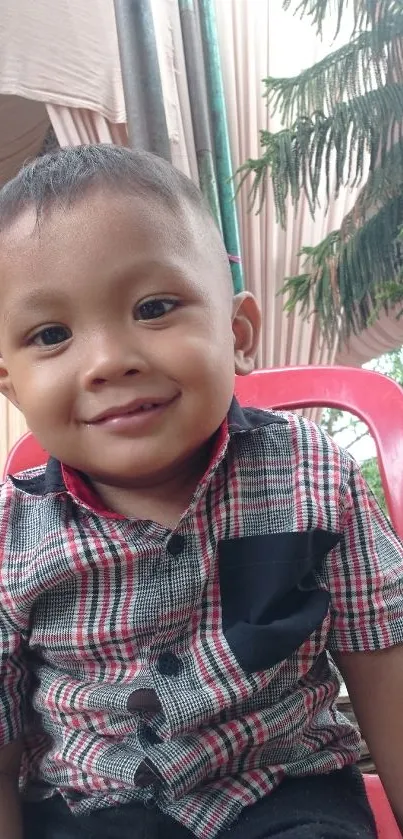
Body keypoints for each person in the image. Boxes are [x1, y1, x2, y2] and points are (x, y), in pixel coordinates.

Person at [0, 145, 401, 839]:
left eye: (153, 307)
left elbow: (385, 669)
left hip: (279, 793)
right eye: (52, 333)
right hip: (91, 809)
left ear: (238, 333)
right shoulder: (11, 538)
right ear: (11, 382)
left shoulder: (314, 478)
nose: (107, 360)